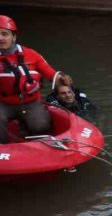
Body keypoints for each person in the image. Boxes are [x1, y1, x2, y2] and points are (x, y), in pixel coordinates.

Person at [0, 15, 65, 144]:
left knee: (40, 126)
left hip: (30, 102)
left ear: (14, 37)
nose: (0, 38)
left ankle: (29, 135)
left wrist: (62, 81)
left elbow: (51, 74)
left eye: (4, 34)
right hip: (3, 103)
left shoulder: (31, 54)